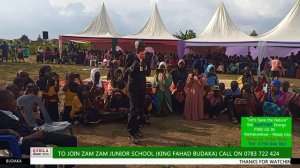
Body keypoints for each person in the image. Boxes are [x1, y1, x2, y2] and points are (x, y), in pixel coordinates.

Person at [0, 90, 77, 168]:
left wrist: (36, 128)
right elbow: (7, 139)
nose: (15, 101)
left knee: (71, 140)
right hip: (22, 142)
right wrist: (26, 137)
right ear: (2, 105)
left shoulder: (13, 110)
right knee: (49, 154)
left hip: (33, 133)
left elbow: (24, 124)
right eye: (12, 100)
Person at [123, 40, 147, 143]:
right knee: (133, 109)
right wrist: (132, 67)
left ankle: (136, 129)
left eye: (142, 46)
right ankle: (131, 133)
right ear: (135, 47)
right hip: (133, 87)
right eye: (139, 46)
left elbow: (148, 71)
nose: (141, 47)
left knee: (139, 109)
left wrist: (145, 67)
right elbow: (125, 72)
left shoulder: (145, 57)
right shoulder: (130, 56)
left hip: (142, 86)